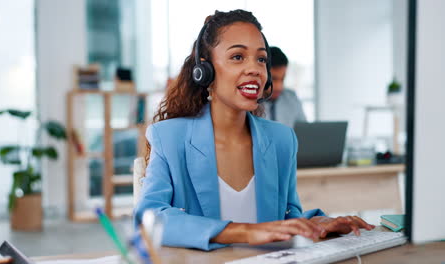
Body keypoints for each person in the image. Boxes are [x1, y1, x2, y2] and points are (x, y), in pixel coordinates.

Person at [135, 9, 374, 251]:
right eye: (238, 57)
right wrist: (244, 231)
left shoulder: (281, 139)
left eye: (261, 59)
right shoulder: (169, 137)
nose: (255, 69)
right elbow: (149, 218)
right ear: (205, 70)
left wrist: (318, 223)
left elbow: (286, 215)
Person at [263, 47, 306, 127]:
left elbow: (306, 131)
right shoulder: (250, 104)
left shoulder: (292, 98)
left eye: (282, 79)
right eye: (273, 79)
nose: (279, 87)